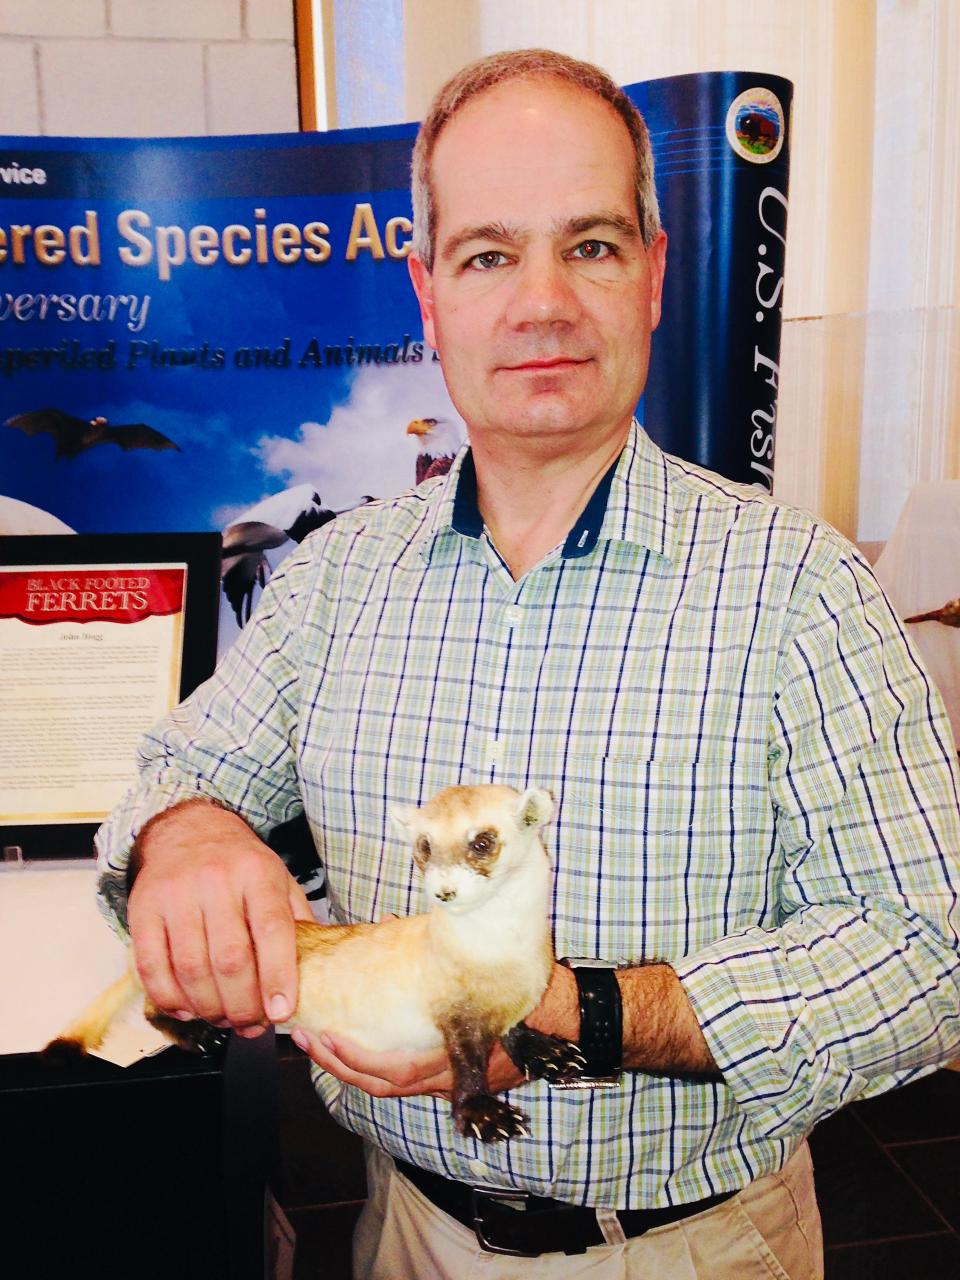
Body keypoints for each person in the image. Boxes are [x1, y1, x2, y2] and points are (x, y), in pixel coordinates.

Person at [95, 48, 960, 1279]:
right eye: (490, 253)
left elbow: (930, 952)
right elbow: (176, 768)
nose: (543, 300)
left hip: (694, 1249)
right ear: (429, 294)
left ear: (657, 276)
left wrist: (573, 1013)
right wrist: (189, 831)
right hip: (407, 1232)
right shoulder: (336, 581)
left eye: (593, 245)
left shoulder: (800, 588)